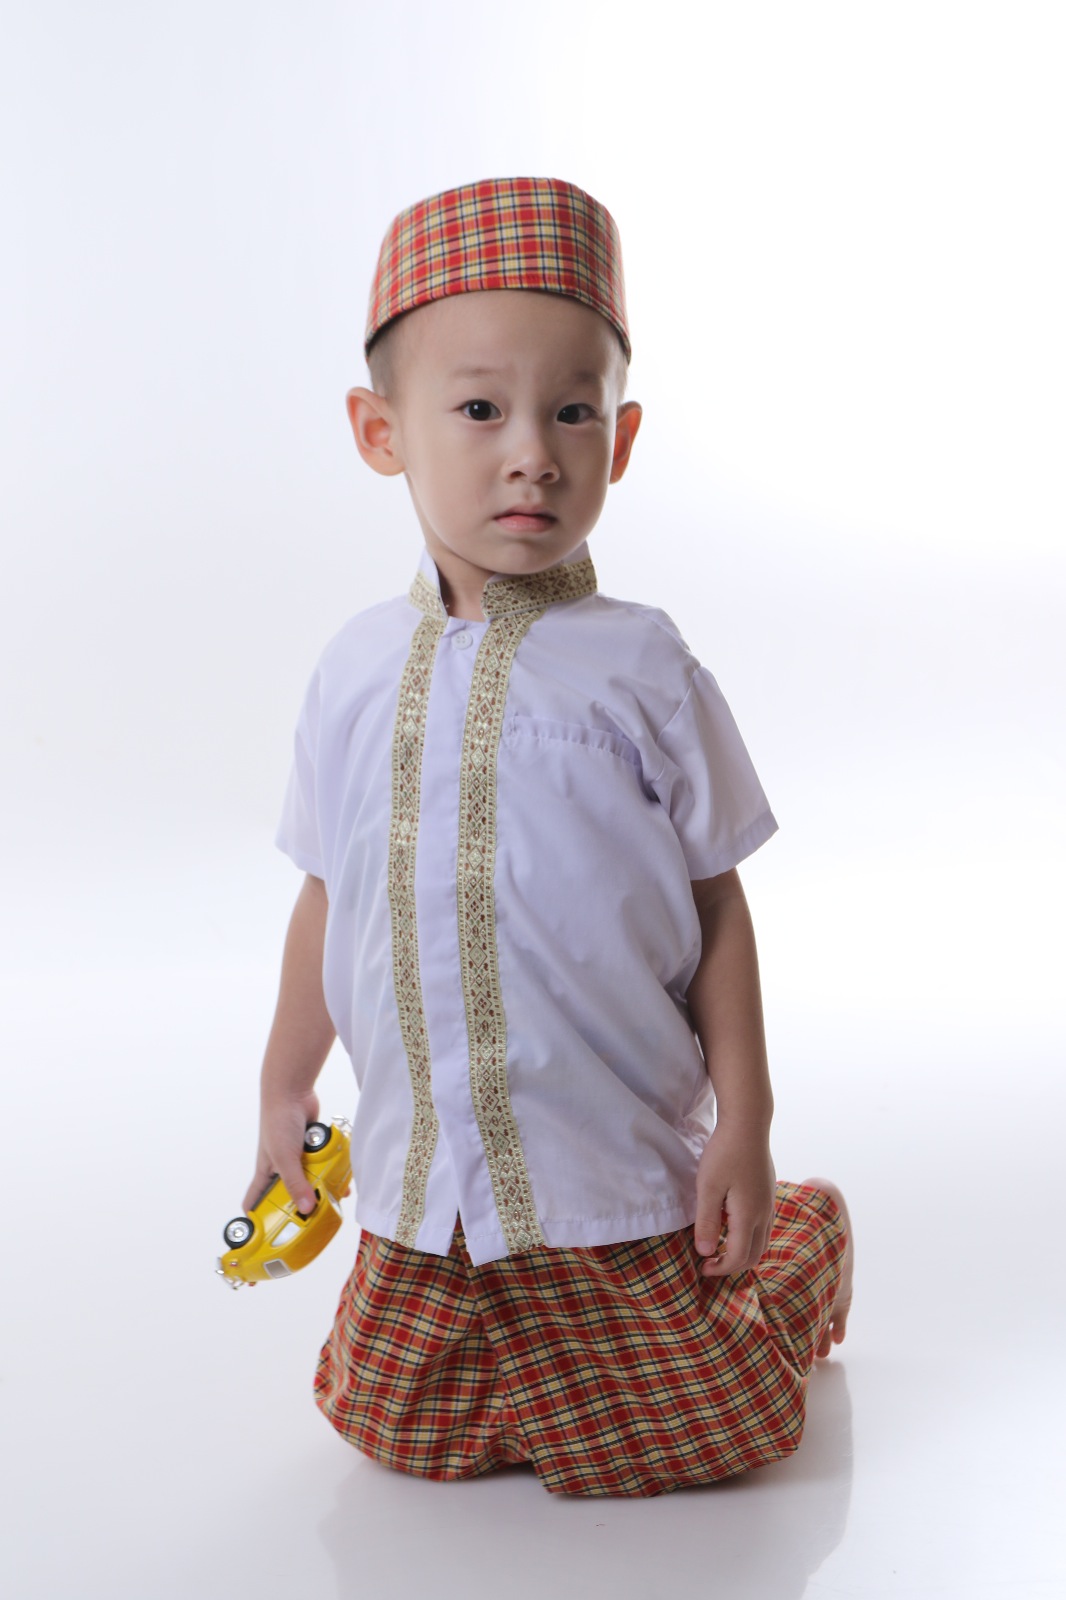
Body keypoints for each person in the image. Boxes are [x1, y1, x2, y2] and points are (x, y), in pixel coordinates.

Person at [243, 176, 854, 1498]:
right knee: (396, 1434)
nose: (532, 451)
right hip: (425, 1182)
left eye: (572, 411)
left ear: (620, 440)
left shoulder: (643, 667)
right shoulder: (352, 671)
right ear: (380, 431)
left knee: (717, 1433)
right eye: (480, 410)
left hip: (598, 1164)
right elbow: (327, 895)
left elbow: (717, 906)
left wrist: (746, 1123)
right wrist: (284, 1087)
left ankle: (803, 1241)